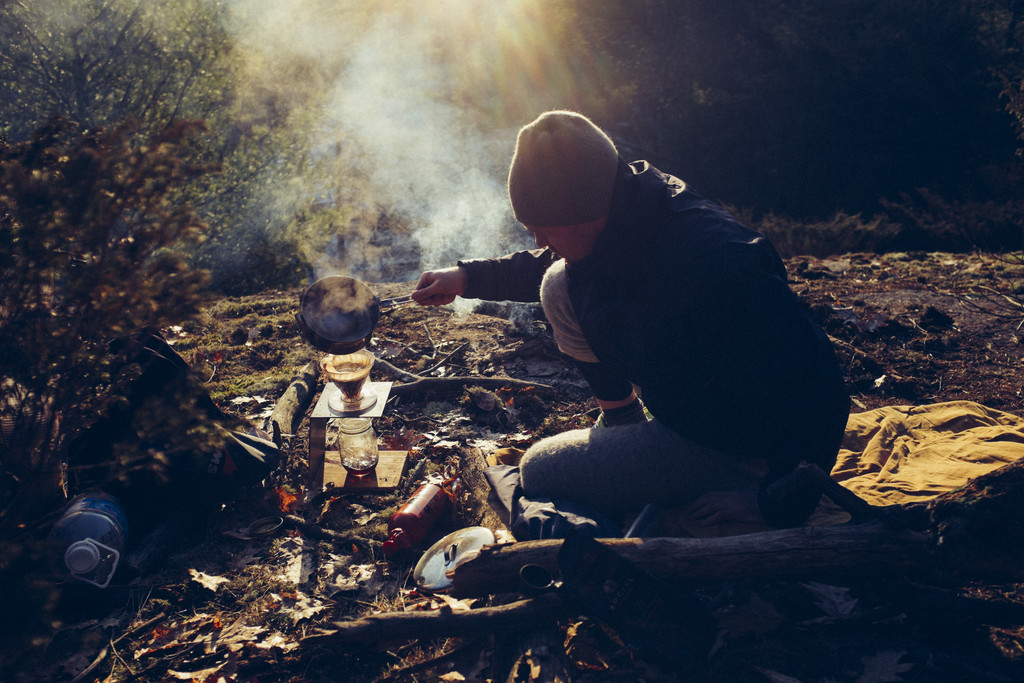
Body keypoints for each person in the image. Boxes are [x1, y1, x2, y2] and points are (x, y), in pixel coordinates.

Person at [411, 111, 849, 530]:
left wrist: (773, 499)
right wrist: (466, 277)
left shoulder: (717, 266)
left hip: (738, 446)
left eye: (544, 227)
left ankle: (738, 477)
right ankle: (624, 422)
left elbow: (816, 386)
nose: (538, 239)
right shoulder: (620, 208)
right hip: (693, 406)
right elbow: (544, 262)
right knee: (557, 283)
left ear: (587, 214)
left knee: (540, 471)